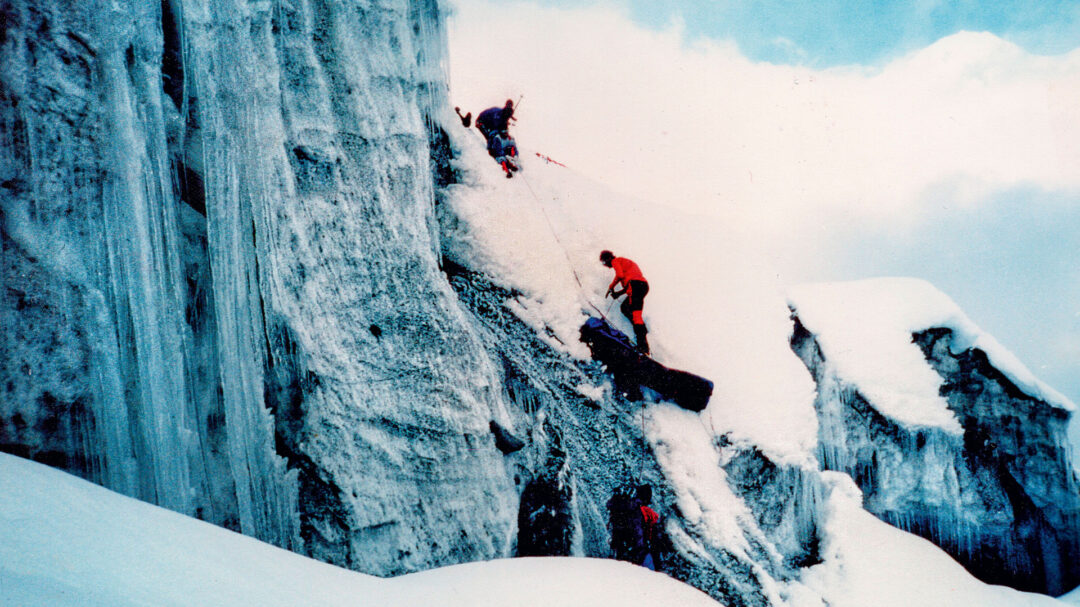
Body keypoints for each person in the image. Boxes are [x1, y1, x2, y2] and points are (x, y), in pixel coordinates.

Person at [600, 250, 650, 354]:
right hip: (642, 286)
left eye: (604, 263)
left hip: (636, 285)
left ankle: (643, 346)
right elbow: (630, 285)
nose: (605, 266)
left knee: (636, 316)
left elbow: (620, 275)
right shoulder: (625, 262)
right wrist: (618, 293)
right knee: (625, 307)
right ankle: (641, 330)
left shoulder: (616, 261)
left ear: (608, 258)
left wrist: (611, 287)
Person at [475, 99, 519, 177]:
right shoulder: (497, 117)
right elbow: (496, 128)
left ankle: (501, 151)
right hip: (481, 122)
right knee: (493, 136)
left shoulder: (504, 112)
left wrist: (510, 118)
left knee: (500, 134)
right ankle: (492, 150)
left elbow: (506, 118)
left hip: (492, 122)